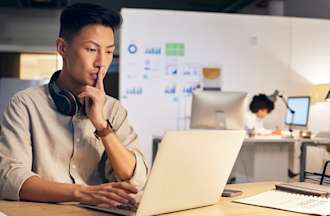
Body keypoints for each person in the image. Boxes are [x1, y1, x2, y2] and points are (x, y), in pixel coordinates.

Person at [0, 3, 148, 208]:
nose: (101, 62)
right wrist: (83, 193)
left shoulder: (113, 110)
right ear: (62, 48)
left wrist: (102, 126)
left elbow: (135, 179)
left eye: (108, 52)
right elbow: (10, 178)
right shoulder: (25, 104)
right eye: (91, 49)